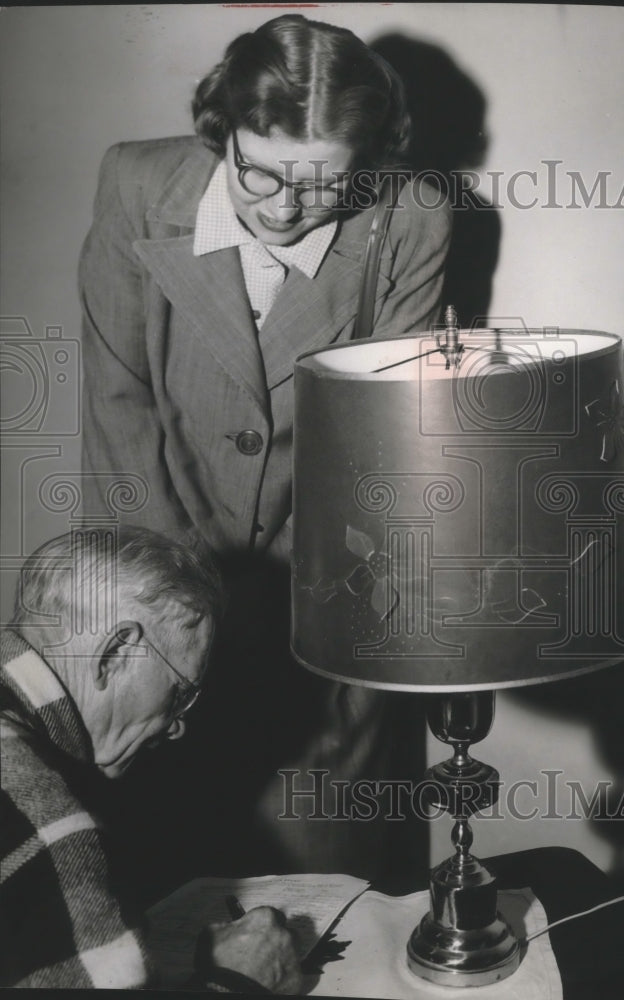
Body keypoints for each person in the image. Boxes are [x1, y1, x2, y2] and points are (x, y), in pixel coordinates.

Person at [79, 12, 451, 882]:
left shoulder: (412, 217)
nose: (285, 209)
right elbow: (117, 406)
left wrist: (308, 618)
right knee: (164, 890)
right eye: (260, 175)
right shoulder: (135, 182)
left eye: (323, 186)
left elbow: (383, 447)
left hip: (330, 608)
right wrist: (173, 617)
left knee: (330, 896)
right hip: (160, 596)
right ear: (221, 132)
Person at [0, 526, 302, 992]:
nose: (179, 725)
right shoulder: (43, 807)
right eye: (181, 690)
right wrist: (238, 980)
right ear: (117, 653)